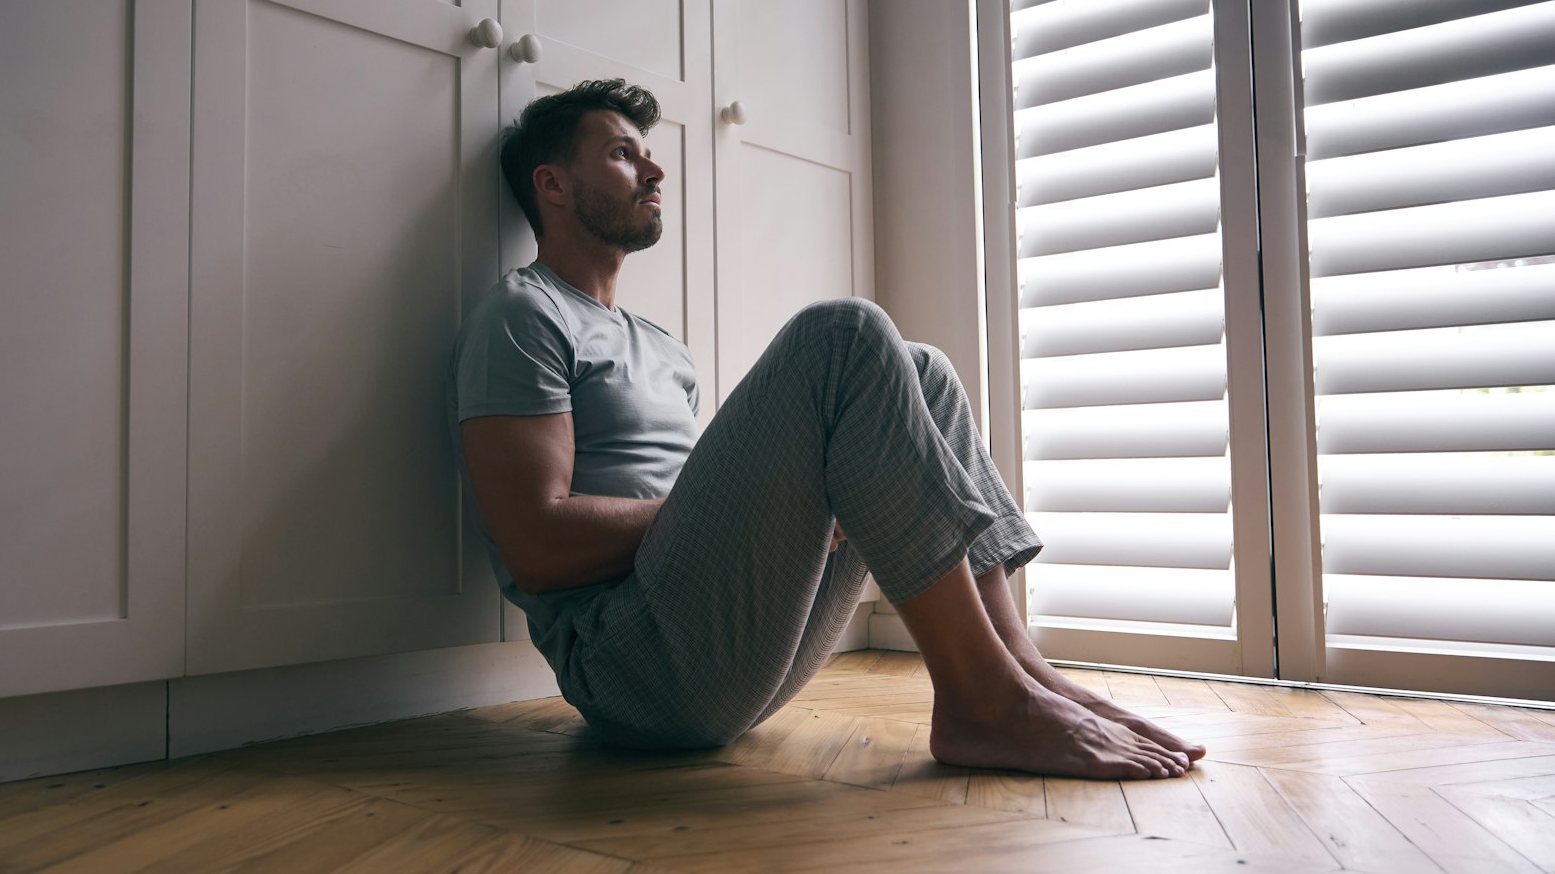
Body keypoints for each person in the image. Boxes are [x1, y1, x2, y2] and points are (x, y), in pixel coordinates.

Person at [447, 78, 1205, 779]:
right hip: (630, 666)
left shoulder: (661, 345)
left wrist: (787, 515)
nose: (655, 171)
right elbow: (536, 546)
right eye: (622, 153)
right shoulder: (525, 314)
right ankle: (985, 701)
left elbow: (700, 528)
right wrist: (758, 515)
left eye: (648, 154)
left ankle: (1017, 669)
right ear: (551, 183)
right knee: (842, 334)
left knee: (924, 370)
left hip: (734, 656)